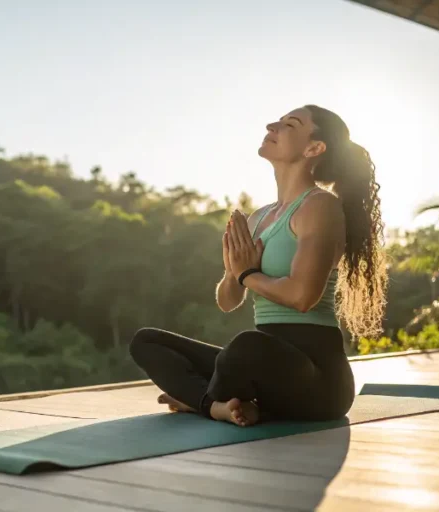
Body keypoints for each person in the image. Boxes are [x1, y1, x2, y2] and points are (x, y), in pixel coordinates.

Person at [129, 105, 387, 427]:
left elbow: (302, 297)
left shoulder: (320, 206)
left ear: (314, 148)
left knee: (244, 348)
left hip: (318, 381)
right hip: (263, 364)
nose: (272, 125)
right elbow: (228, 301)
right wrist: (232, 272)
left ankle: (200, 401)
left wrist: (247, 274)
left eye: (289, 124)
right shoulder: (259, 217)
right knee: (147, 341)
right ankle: (219, 405)